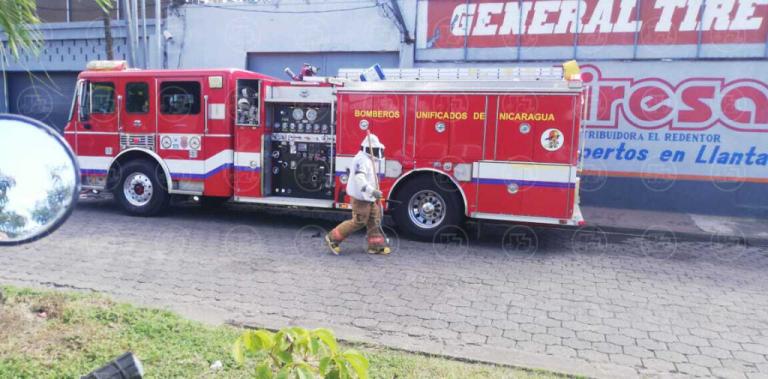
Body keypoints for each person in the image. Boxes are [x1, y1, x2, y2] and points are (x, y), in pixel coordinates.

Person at [325, 133, 391, 255]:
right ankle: (333, 238)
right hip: (361, 198)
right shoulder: (361, 160)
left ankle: (375, 246)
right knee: (359, 221)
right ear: (368, 148)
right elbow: (359, 178)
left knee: (374, 220)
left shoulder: (367, 159)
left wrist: (373, 193)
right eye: (376, 150)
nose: (378, 153)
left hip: (368, 198)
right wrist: (372, 191)